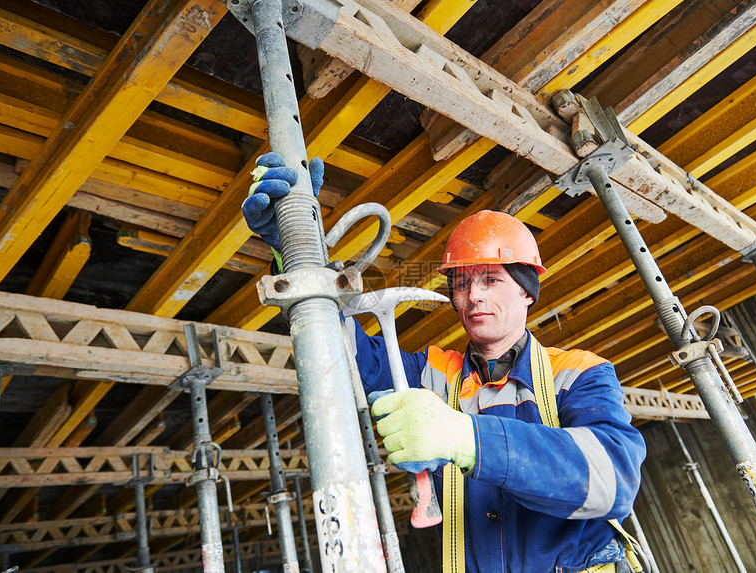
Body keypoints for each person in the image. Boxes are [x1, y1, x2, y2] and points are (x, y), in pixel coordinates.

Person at [244, 153, 647, 573]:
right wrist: (296, 255)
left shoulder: (578, 372)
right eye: (461, 283)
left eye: (491, 280)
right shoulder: (432, 375)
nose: (473, 296)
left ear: (528, 291)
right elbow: (344, 359)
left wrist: (467, 438)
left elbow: (612, 480)